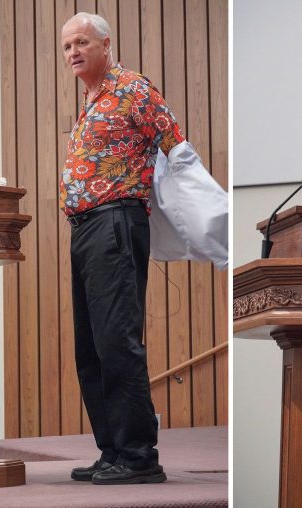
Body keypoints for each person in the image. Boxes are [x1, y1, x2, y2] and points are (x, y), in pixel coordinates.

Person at [59, 12, 184, 485]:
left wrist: (194, 217)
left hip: (114, 222)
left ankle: (138, 456)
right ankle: (112, 450)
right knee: (90, 347)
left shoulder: (132, 88)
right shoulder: (92, 99)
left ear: (106, 44)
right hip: (86, 228)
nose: (73, 51)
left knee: (117, 341)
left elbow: (176, 144)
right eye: (68, 45)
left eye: (82, 42)